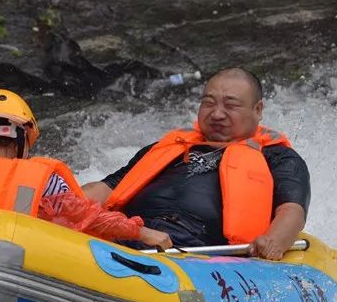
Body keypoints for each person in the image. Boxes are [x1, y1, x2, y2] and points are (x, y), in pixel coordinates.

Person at [82, 68, 310, 260]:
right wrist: (61, 200)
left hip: (197, 252)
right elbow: (107, 187)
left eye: (230, 106)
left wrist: (272, 242)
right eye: (208, 103)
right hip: (131, 233)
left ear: (258, 110)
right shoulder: (168, 147)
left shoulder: (279, 158)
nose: (217, 114)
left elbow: (292, 210)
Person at [0, 89, 173, 249]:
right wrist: (142, 233)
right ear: (21, 140)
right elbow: (89, 218)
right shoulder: (44, 182)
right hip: (16, 263)